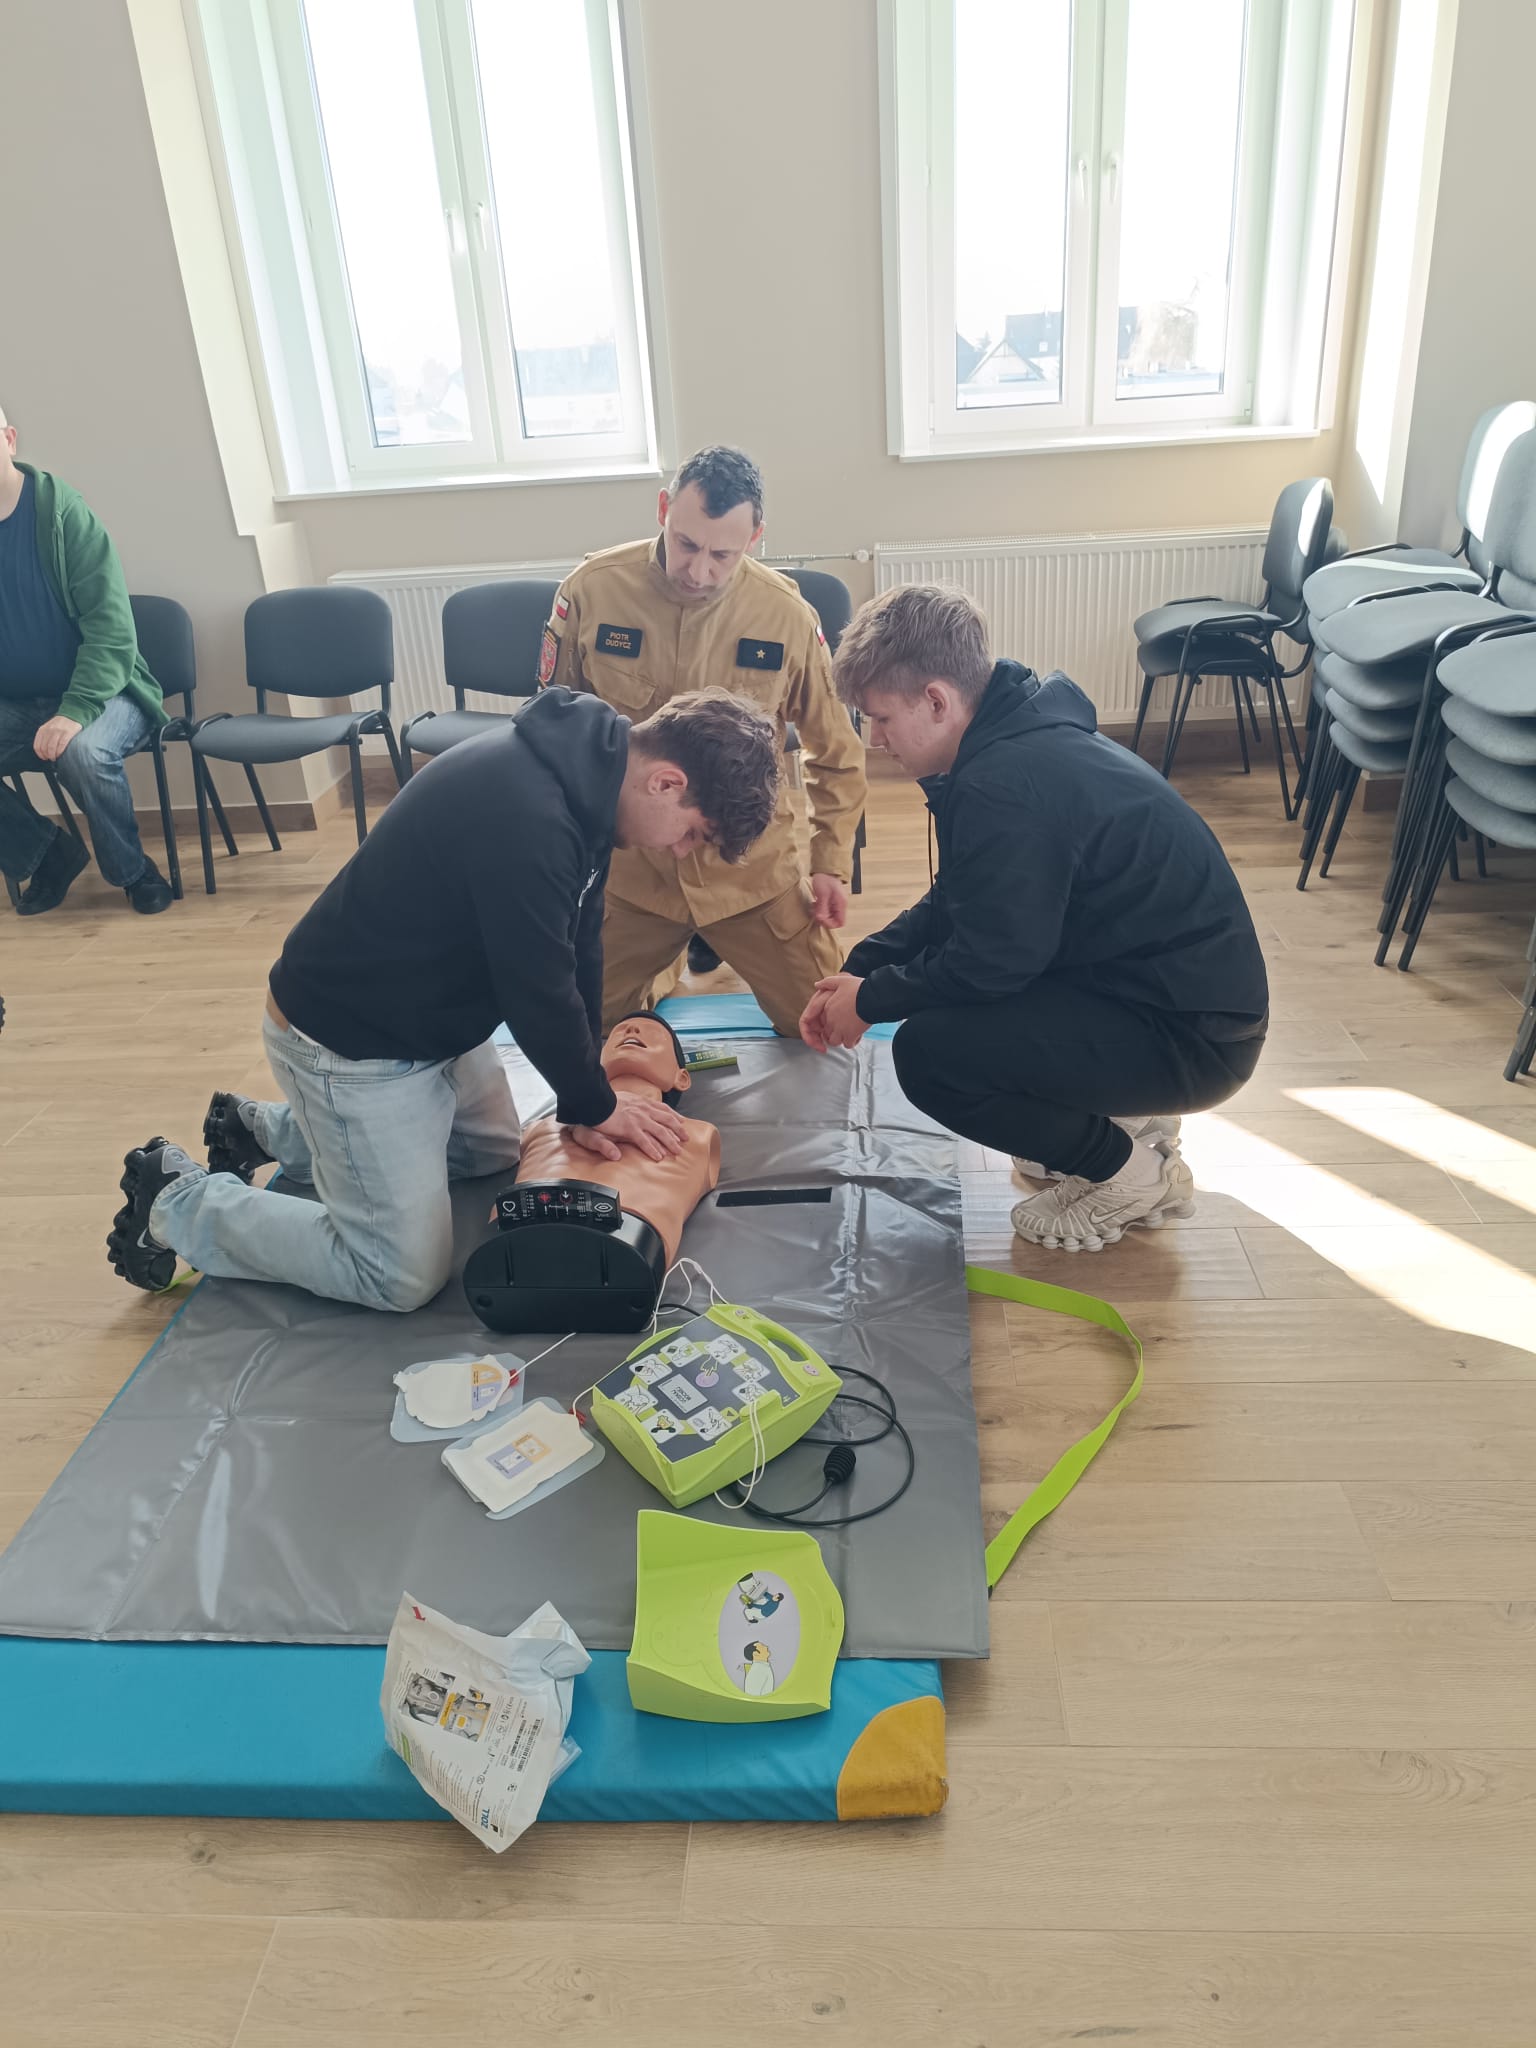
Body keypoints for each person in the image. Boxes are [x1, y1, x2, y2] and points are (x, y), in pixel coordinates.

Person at [107, 688, 779, 1310]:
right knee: (398, 1274)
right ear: (667, 782)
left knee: (493, 1156)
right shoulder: (531, 816)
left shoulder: (591, 777)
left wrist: (588, 1094)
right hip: (351, 1043)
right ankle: (176, 1200)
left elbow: (579, 942)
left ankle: (258, 1129)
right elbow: (537, 991)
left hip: (433, 1026)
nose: (680, 851)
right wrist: (596, 1105)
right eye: (692, 834)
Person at [800, 585, 1269, 1252]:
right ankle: (1116, 1122)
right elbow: (966, 897)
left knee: (932, 1055)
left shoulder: (1005, 785)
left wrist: (872, 1000)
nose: (875, 740)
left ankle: (1129, 1174)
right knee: (962, 1006)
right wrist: (866, 965)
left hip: (1194, 1039)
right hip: (1165, 995)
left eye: (880, 718)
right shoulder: (1017, 730)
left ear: (936, 700)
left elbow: (991, 961)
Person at [540, 445, 866, 1035]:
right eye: (686, 544)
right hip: (635, 874)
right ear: (664, 509)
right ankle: (662, 964)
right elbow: (553, 732)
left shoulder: (785, 615)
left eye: (722, 555)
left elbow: (836, 753)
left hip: (749, 874)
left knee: (825, 1025)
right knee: (585, 1026)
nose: (697, 571)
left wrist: (830, 867)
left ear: (756, 537)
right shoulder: (593, 591)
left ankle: (687, 953)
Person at [0, 401, 172, 915]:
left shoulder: (62, 515)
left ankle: (133, 872)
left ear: (8, 439)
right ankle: (49, 855)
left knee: (83, 752)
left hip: (107, 694)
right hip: (15, 705)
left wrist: (73, 711)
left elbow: (112, 633)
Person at [512, 1011, 720, 1264]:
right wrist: (588, 1109)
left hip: (624, 1257)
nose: (631, 1030)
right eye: (616, 1034)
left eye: (653, 1034)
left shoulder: (696, 1136)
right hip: (510, 1248)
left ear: (682, 1077)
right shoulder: (542, 1128)